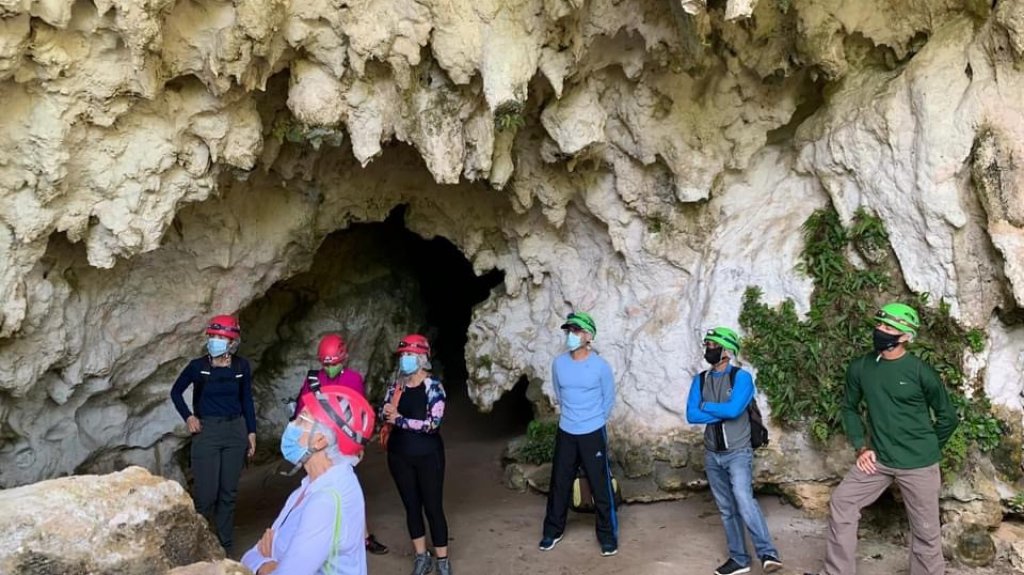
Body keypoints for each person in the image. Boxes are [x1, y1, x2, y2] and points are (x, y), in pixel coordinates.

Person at [805, 303, 959, 575]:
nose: (880, 331)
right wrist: (861, 447)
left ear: (905, 336)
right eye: (879, 325)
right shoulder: (861, 367)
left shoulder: (920, 371)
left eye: (888, 328)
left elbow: (948, 417)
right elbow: (849, 408)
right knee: (842, 501)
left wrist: (927, 449)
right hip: (879, 459)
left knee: (926, 531)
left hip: (919, 464)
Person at [241, 385, 376, 575]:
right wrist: (264, 562)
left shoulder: (326, 502)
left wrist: (263, 565)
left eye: (301, 420)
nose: (292, 425)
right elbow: (251, 555)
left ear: (320, 441)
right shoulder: (310, 486)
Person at [686, 327, 783, 575]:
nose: (708, 349)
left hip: (738, 452)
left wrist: (706, 405)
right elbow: (691, 414)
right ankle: (739, 559)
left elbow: (733, 411)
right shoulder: (700, 379)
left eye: (712, 345)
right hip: (712, 454)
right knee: (726, 508)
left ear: (726, 350)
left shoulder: (742, 378)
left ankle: (768, 554)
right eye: (707, 345)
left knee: (743, 500)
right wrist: (719, 408)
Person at [290, 333, 389, 556]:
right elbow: (301, 411)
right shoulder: (313, 379)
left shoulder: (353, 379)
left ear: (343, 359)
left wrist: (359, 444)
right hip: (318, 445)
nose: (330, 368)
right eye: (326, 364)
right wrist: (302, 440)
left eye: (334, 363)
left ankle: (363, 537)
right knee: (317, 492)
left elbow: (360, 412)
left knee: (348, 491)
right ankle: (320, 538)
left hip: (342, 444)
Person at [170, 314, 257, 554]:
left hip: (235, 431)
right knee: (206, 495)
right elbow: (176, 392)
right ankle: (198, 547)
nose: (215, 340)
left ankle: (225, 548)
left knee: (228, 493)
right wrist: (189, 416)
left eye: (221, 337)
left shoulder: (241, 367)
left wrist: (251, 432)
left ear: (232, 342)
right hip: (207, 432)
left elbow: (246, 400)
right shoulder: (198, 367)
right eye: (213, 336)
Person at [539, 311, 618, 557]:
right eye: (568, 331)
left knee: (599, 484)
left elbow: (608, 399)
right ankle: (553, 530)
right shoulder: (559, 364)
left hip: (592, 432)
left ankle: (607, 536)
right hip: (566, 431)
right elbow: (560, 395)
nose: (570, 336)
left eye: (576, 331)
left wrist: (591, 420)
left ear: (588, 336)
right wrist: (573, 418)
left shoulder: (600, 366)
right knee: (560, 482)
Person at [380, 334, 453, 575]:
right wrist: (386, 411)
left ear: (422, 358)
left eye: (410, 355)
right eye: (403, 355)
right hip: (399, 455)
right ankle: (422, 556)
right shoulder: (396, 385)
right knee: (411, 507)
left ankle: (442, 560)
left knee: (433, 507)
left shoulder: (434, 387)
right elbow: (384, 410)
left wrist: (399, 419)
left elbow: (433, 424)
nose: (405, 359)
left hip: (428, 456)